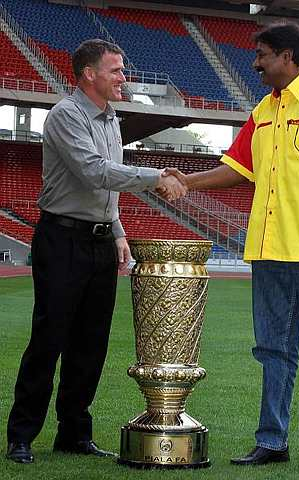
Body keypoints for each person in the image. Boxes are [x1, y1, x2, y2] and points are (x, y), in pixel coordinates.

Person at [163, 22, 299, 476]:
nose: (256, 63)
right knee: (273, 350)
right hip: (269, 249)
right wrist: (187, 180)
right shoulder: (263, 110)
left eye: (261, 54)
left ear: (288, 56)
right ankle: (271, 441)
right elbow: (237, 169)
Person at [6, 39, 187, 464]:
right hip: (63, 239)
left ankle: (73, 433)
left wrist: (118, 231)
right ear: (89, 74)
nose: (124, 78)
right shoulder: (66, 116)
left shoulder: (111, 119)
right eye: (116, 70)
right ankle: (21, 434)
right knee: (49, 338)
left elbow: (105, 190)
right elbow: (94, 172)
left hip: (101, 239)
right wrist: (155, 175)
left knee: (91, 342)